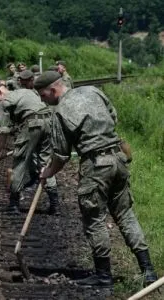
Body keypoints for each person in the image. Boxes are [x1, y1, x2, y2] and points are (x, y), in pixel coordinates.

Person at [35, 71, 158, 287]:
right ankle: (148, 271)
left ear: (53, 89)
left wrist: (48, 172)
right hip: (118, 158)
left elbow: (62, 155)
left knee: (94, 219)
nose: (42, 99)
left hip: (95, 165)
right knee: (125, 214)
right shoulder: (93, 91)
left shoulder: (60, 112)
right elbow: (114, 116)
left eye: (43, 95)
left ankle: (103, 275)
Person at [0, 75, 60, 215]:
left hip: (32, 125)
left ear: (0, 92)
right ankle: (55, 204)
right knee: (45, 163)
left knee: (20, 161)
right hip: (48, 122)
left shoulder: (5, 102)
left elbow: (3, 133)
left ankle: (14, 204)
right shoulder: (26, 91)